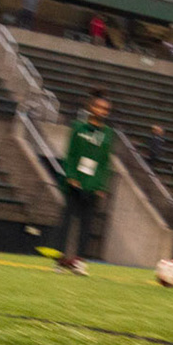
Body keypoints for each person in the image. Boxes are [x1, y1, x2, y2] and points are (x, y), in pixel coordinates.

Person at [52, 93, 114, 275]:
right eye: (99, 107)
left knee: (87, 226)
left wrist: (102, 186)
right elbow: (70, 154)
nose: (103, 112)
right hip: (74, 182)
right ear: (91, 108)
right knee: (67, 221)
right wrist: (71, 176)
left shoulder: (108, 134)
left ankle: (79, 262)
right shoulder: (78, 127)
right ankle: (60, 260)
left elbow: (104, 162)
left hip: (92, 185)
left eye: (106, 109)